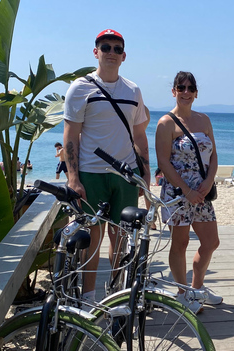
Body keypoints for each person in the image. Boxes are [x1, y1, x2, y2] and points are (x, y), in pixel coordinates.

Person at [63, 29, 150, 304]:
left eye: (116, 48)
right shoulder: (80, 88)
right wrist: (74, 178)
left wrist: (145, 176)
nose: (111, 52)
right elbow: (70, 136)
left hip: (125, 175)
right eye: (105, 47)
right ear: (96, 52)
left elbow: (138, 136)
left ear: (124, 56)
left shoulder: (133, 90)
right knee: (92, 237)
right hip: (91, 173)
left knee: (121, 237)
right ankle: (88, 297)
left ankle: (117, 295)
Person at [156, 71, 221, 314]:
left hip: (202, 191)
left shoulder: (204, 120)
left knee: (211, 242)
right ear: (174, 91)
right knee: (180, 243)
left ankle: (197, 287)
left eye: (190, 88)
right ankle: (183, 294)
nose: (186, 92)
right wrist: (187, 190)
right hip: (178, 193)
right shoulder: (166, 123)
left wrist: (208, 181)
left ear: (196, 93)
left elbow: (213, 155)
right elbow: (163, 162)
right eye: (180, 87)